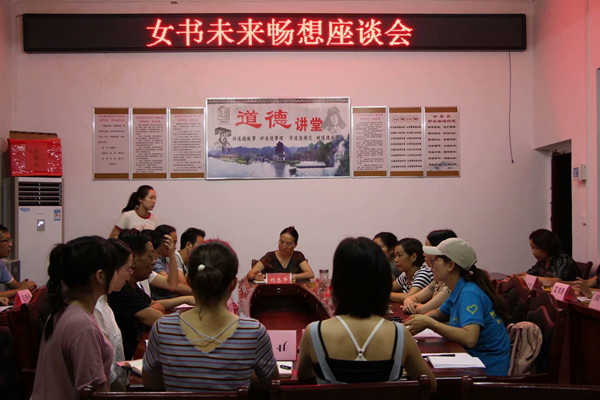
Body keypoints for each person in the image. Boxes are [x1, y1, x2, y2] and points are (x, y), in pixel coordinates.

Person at [296, 237, 436, 390]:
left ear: (337, 283)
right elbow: (430, 386)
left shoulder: (314, 332)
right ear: (383, 282)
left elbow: (304, 376)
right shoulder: (400, 334)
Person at [143, 240, 278, 392]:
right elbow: (270, 384)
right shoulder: (253, 332)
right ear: (233, 284)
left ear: (188, 281)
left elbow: (150, 384)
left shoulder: (163, 329)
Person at [406, 238, 510, 376]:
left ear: (450, 265)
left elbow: (470, 338)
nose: (431, 265)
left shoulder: (469, 293)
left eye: (435, 260)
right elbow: (439, 313)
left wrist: (431, 324)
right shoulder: (458, 288)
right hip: (468, 359)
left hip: (485, 370)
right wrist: (412, 323)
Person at [31, 236, 118, 399]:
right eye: (115, 269)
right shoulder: (83, 325)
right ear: (100, 276)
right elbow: (94, 394)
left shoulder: (64, 310)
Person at [108, 230, 194, 359]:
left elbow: (156, 305)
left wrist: (186, 299)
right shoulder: (120, 289)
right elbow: (158, 319)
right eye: (150, 256)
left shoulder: (133, 285)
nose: (154, 261)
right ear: (133, 259)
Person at [94, 239, 132, 390]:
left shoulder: (104, 303)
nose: (129, 276)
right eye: (128, 269)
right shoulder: (95, 310)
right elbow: (105, 373)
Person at [403, 229, 456, 314]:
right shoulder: (438, 281)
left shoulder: (451, 284)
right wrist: (409, 302)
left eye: (427, 250)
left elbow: (423, 309)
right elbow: (410, 298)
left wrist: (412, 305)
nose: (423, 254)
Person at [246, 226, 314, 281]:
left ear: (295, 245)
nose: (283, 246)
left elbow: (310, 274)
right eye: (281, 242)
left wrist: (290, 277)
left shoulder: (298, 256)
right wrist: (256, 277)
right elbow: (249, 274)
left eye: (288, 244)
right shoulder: (270, 256)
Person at [514, 229, 581, 282]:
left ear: (546, 246)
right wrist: (513, 277)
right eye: (532, 248)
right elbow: (529, 274)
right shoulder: (542, 261)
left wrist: (526, 278)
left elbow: (556, 281)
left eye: (536, 248)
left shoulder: (563, 259)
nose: (533, 252)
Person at [390, 238, 433, 303]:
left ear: (413, 257)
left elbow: (410, 297)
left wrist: (384, 295)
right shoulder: (405, 274)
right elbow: (388, 288)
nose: (395, 260)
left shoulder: (424, 273)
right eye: (395, 256)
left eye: (399, 255)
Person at [0, 224, 37, 299]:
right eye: (6, 241)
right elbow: (18, 290)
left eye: (10, 240)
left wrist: (27, 286)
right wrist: (20, 290)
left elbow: (15, 286)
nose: (10, 244)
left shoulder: (0, 264)